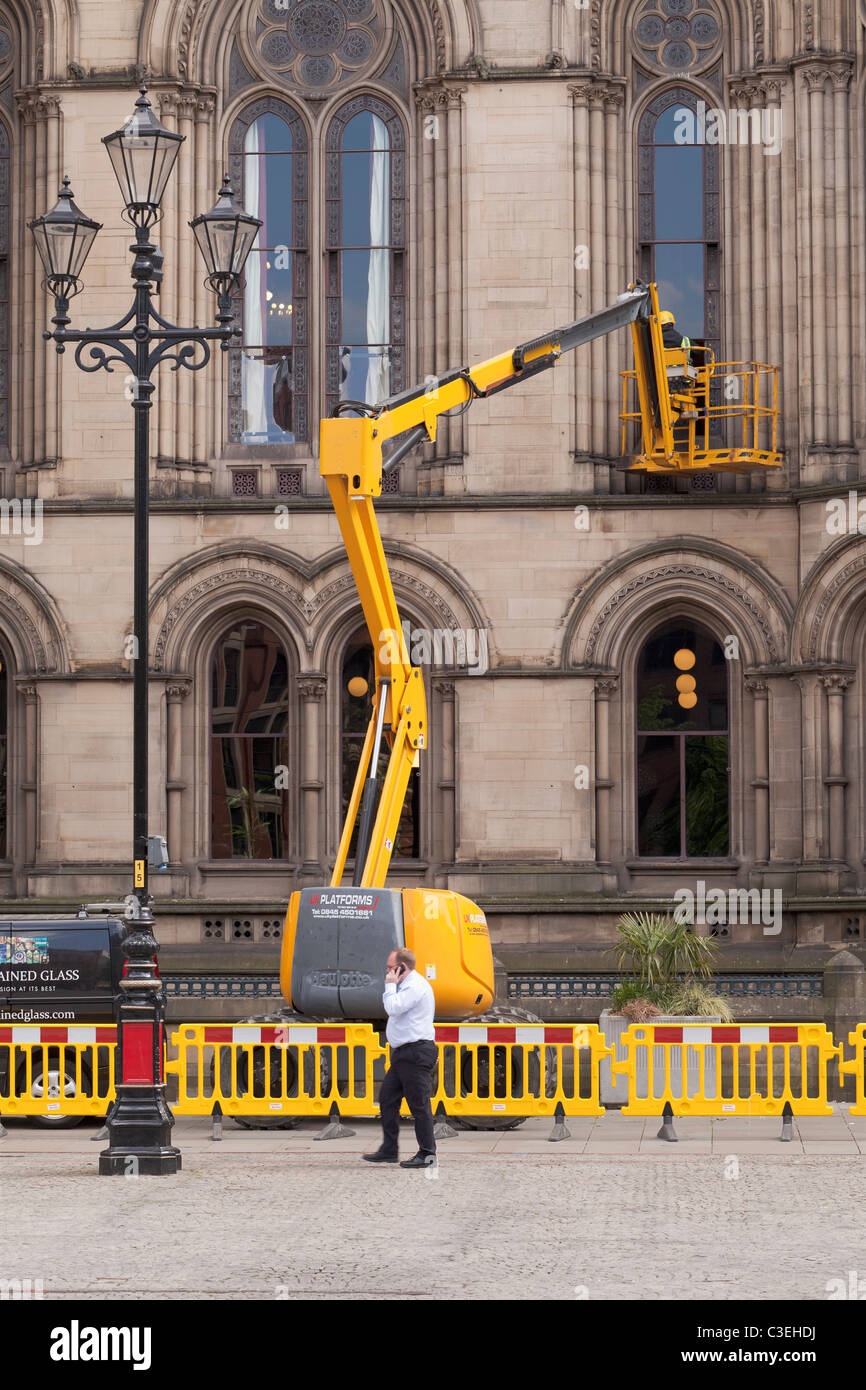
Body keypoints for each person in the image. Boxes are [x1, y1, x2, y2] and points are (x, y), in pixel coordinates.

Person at [362, 946, 438, 1169]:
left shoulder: (414, 986)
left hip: (415, 1052)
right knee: (387, 1098)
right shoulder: (406, 986)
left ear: (402, 967)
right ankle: (389, 1149)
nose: (386, 972)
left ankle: (427, 1154)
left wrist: (389, 985)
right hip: (404, 1053)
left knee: (419, 1105)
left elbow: (392, 1008)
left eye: (390, 968)